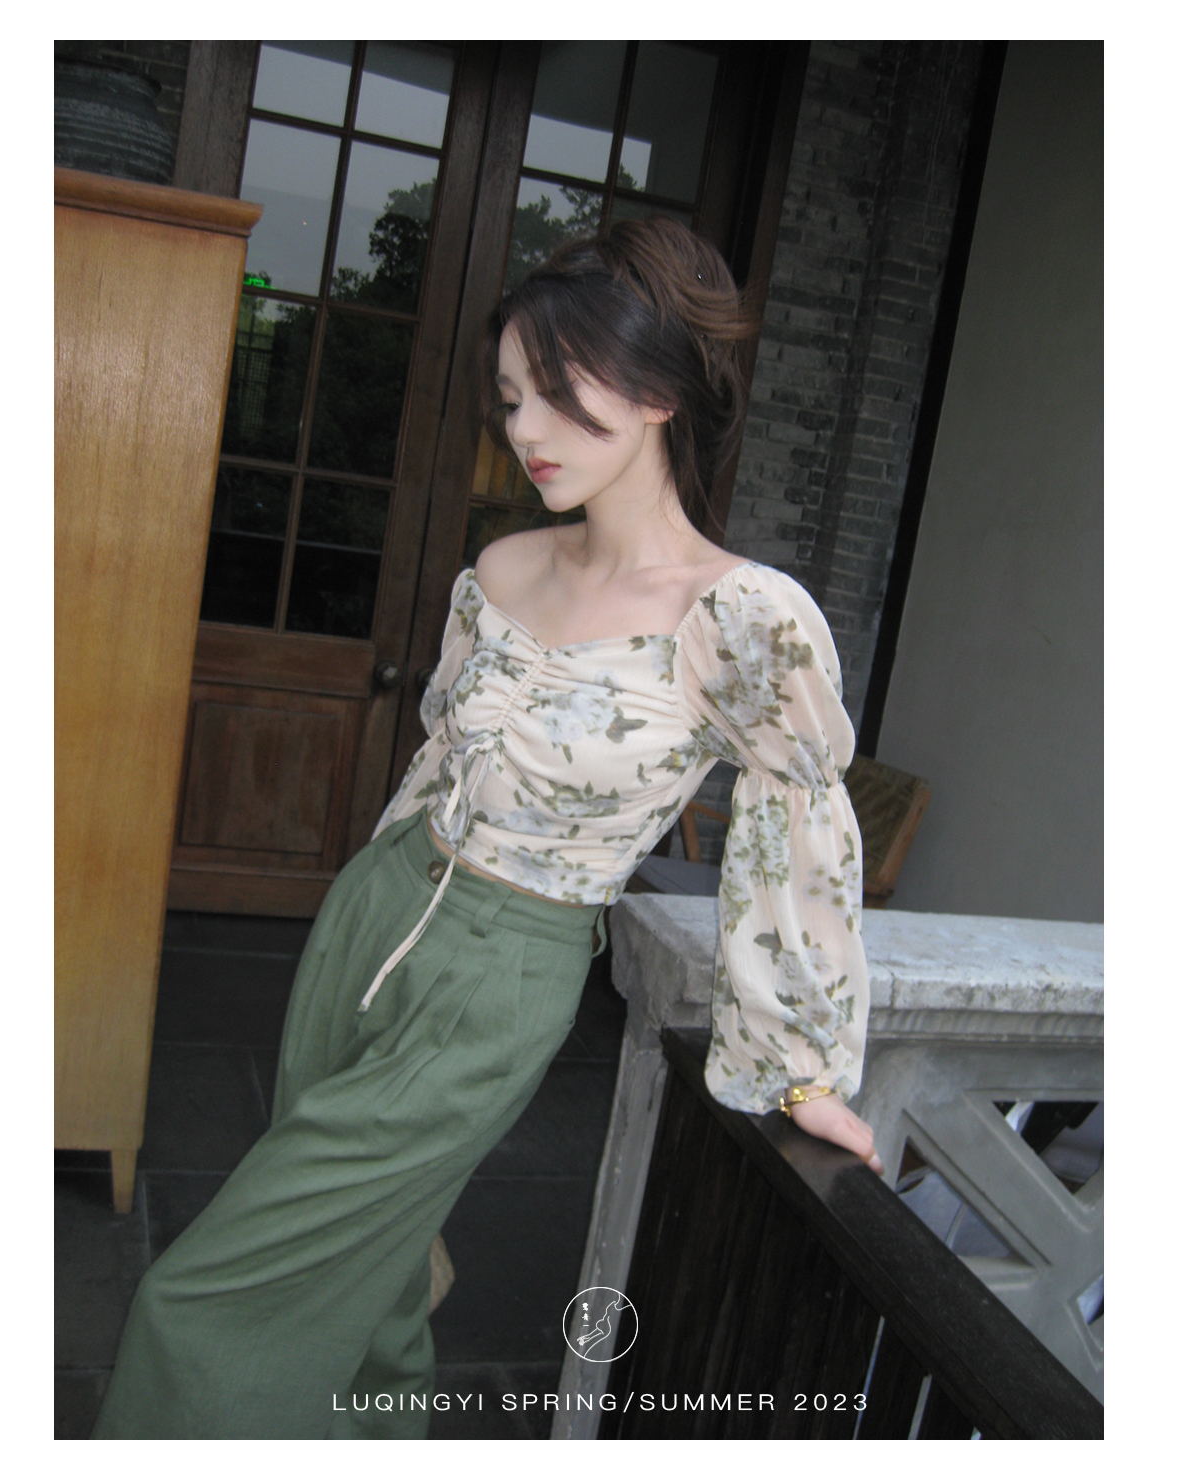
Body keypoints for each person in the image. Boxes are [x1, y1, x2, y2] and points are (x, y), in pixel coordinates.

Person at [93, 217, 881, 1441]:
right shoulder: (504, 567)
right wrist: (374, 888)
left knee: (204, 1307)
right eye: (512, 398)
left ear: (661, 392)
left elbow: (795, 836)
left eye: (560, 394)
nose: (525, 429)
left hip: (501, 974)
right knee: (376, 1286)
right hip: (374, 913)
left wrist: (804, 1067)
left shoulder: (740, 618)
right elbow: (437, 764)